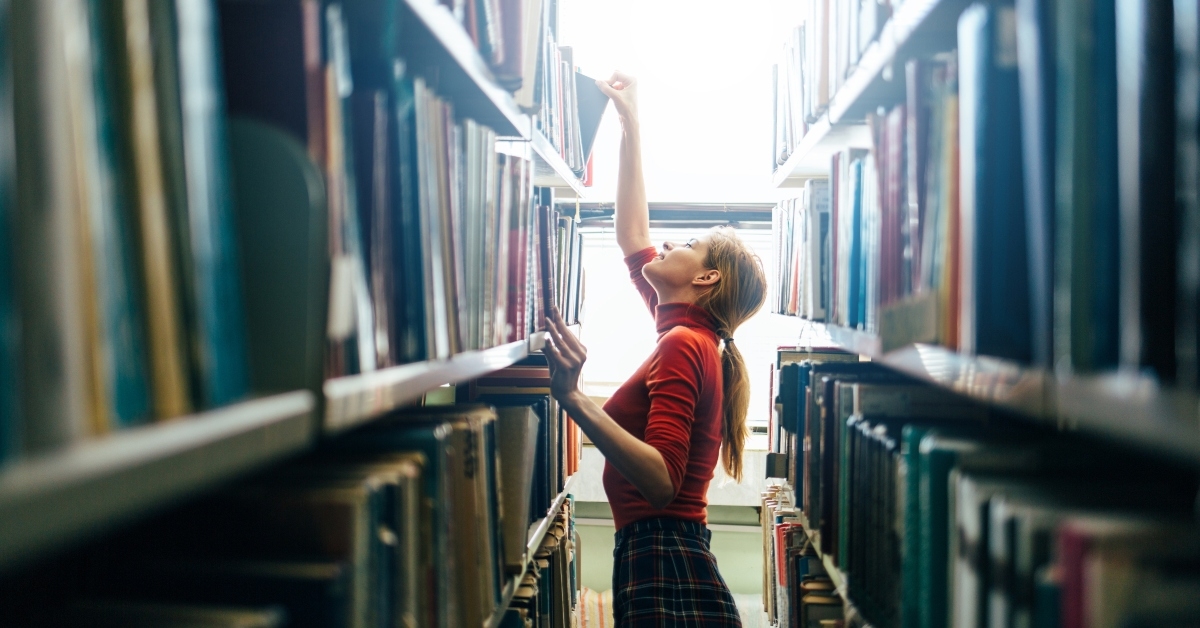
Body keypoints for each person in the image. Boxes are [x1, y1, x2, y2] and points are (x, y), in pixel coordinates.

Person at [542, 71, 768, 627]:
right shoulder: (687, 333)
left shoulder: (685, 345)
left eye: (687, 244)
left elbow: (663, 481)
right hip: (662, 551)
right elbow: (632, 234)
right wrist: (630, 123)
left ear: (707, 278)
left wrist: (574, 398)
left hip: (663, 555)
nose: (667, 244)